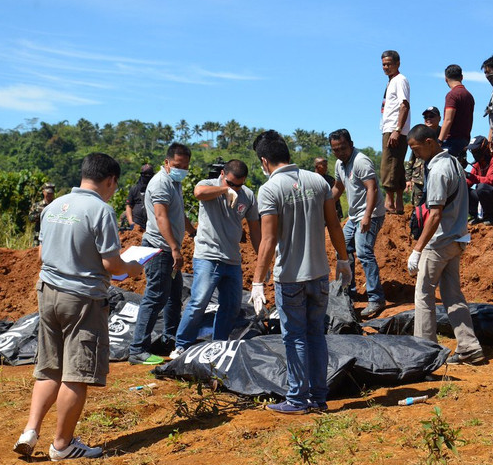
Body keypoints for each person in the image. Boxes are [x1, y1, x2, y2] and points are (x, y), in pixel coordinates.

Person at [13, 153, 143, 460]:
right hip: (82, 299)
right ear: (110, 181)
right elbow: (113, 265)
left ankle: (30, 431)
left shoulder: (54, 206)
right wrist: (135, 267)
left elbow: (42, 254)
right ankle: (62, 444)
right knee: (76, 373)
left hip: (47, 293)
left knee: (49, 366)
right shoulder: (102, 210)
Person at [250, 130, 350, 414]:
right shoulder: (317, 180)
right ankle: (318, 398)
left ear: (264, 160)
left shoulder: (270, 189)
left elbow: (268, 240)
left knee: (294, 338)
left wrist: (258, 282)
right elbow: (334, 225)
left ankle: (297, 399)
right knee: (316, 335)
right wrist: (343, 260)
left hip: (290, 277)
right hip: (319, 275)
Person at [405, 125, 487, 366]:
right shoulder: (452, 162)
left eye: (416, 148)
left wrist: (417, 249)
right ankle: (470, 348)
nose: (415, 154)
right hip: (457, 239)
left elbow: (434, 215)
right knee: (453, 296)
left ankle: (424, 353)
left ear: (430, 142)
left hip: (439, 243)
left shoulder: (439, 170)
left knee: (423, 295)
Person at [172, 160, 261, 356]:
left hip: (232, 259)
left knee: (231, 305)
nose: (236, 188)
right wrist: (224, 190)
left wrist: (262, 259)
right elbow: (198, 193)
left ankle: (218, 343)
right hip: (207, 256)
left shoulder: (248, 196)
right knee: (199, 302)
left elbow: (255, 230)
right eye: (231, 183)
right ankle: (181, 345)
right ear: (222, 174)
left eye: (239, 184)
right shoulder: (210, 186)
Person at [128, 143, 197, 365]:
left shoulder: (174, 182)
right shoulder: (160, 183)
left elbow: (178, 213)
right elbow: (161, 217)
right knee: (155, 296)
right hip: (160, 249)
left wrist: (192, 231)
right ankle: (137, 349)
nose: (182, 169)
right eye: (178, 165)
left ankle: (169, 340)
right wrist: (175, 248)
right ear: (167, 162)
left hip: (169, 248)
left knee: (174, 298)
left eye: (185, 166)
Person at [328, 129, 387, 318]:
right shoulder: (339, 164)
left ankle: (376, 298)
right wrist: (324, 204)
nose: (340, 152)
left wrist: (367, 216)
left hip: (371, 213)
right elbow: (338, 187)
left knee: (364, 252)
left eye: (343, 148)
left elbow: (372, 188)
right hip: (354, 216)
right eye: (336, 150)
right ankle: (348, 293)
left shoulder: (361, 161)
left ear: (351, 144)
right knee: (342, 249)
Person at [379, 49, 411, 214]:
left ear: (398, 64)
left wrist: (397, 129)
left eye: (389, 64)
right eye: (384, 64)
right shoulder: (391, 81)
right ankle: (398, 203)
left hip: (394, 128)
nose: (386, 67)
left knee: (388, 164)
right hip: (390, 127)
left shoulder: (400, 80)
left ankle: (389, 202)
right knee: (397, 165)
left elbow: (404, 105)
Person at [405, 107, 441, 206]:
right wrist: (408, 178)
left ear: (439, 118)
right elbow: (412, 158)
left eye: (431, 116)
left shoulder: (444, 134)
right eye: (426, 117)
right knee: (418, 208)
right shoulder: (418, 134)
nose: (428, 119)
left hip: (435, 177)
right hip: (418, 178)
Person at [439, 65, 475, 157]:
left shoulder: (452, 95)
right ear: (462, 77)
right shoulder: (469, 96)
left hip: (451, 141)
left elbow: (448, 120)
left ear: (446, 79)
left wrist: (439, 141)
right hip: (464, 140)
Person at [124, 164, 155, 231]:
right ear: (141, 175)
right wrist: (131, 222)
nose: (147, 177)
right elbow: (129, 206)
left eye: (149, 175)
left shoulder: (156, 189)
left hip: (153, 225)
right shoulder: (134, 189)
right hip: (137, 225)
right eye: (145, 175)